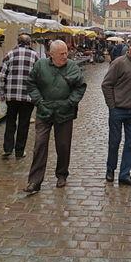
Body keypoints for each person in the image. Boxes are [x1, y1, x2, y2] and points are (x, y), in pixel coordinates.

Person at [24, 40, 86, 195]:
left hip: (64, 112)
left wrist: (70, 102)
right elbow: (31, 84)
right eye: (61, 54)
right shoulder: (40, 66)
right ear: (51, 54)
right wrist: (39, 102)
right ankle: (34, 181)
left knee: (63, 145)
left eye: (66, 53)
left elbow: (80, 86)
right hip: (44, 111)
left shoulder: (72, 66)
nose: (65, 56)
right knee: (40, 144)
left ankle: (62, 174)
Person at [101, 38, 131, 188]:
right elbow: (106, 85)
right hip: (118, 110)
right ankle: (110, 170)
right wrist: (112, 105)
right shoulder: (119, 63)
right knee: (114, 142)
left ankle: (124, 175)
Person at [0, 34, 39, 158]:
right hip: (27, 96)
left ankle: (7, 148)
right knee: (24, 124)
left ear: (18, 42)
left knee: (10, 122)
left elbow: (1, 75)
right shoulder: (35, 56)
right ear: (29, 43)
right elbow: (39, 76)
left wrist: (1, 93)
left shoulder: (10, 54)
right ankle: (19, 151)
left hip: (11, 96)